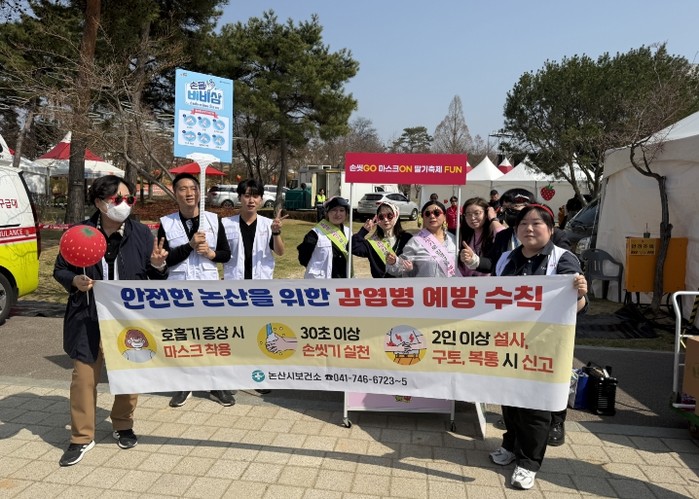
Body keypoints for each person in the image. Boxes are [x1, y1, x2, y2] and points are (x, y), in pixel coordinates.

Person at [53, 175, 169, 466]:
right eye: (117, 199)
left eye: (129, 199)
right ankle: (81, 437)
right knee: (83, 378)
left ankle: (123, 424)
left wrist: (158, 266)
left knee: (129, 374)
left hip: (127, 320)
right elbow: (60, 270)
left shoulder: (141, 234)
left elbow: (152, 277)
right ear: (99, 203)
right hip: (87, 316)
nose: (124, 204)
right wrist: (74, 281)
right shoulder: (79, 233)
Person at [488, 204, 588, 490]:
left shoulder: (563, 259)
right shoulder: (506, 258)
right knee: (510, 399)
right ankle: (510, 444)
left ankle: (529, 462)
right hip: (510, 342)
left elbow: (579, 305)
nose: (528, 229)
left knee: (535, 406)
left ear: (551, 229)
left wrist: (580, 293)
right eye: (523, 224)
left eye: (536, 223)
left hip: (544, 346)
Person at [158, 173, 234, 408]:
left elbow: (226, 254)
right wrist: (189, 246)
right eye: (183, 189)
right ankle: (184, 384)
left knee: (211, 336)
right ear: (175, 194)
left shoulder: (213, 220)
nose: (189, 193)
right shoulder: (166, 223)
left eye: (193, 188)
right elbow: (165, 259)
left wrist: (211, 253)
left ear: (199, 193)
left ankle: (216, 385)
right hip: (179, 290)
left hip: (208, 288)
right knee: (183, 338)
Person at [223, 179, 286, 394]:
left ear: (261, 199)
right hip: (235, 289)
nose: (251, 200)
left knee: (260, 333)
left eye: (255, 196)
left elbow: (280, 252)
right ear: (239, 197)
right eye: (247, 195)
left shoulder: (269, 224)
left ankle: (258, 377)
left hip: (261, 290)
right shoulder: (226, 224)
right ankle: (233, 378)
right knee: (236, 333)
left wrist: (276, 233)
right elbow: (220, 253)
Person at [386, 200, 457, 277]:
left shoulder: (454, 239)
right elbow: (401, 266)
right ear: (423, 218)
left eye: (437, 213)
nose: (432, 216)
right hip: (426, 284)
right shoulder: (415, 241)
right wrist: (394, 263)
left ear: (444, 217)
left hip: (451, 284)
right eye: (427, 214)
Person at [351, 201, 413, 278]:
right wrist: (364, 230)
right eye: (381, 217)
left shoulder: (407, 238)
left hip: (402, 283)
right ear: (377, 219)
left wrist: (408, 266)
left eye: (389, 216)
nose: (385, 220)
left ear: (396, 216)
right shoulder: (373, 242)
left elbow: (416, 263)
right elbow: (351, 247)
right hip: (380, 284)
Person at [298, 196, 351, 279]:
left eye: (341, 210)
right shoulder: (315, 233)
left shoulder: (348, 232)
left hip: (343, 280)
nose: (338, 214)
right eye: (334, 210)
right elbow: (303, 258)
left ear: (346, 213)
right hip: (321, 282)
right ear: (327, 213)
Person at [457, 197, 505, 276]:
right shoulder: (465, 235)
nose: (472, 218)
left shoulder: (492, 233)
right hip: (467, 281)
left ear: (486, 214)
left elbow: (504, 235)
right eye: (468, 214)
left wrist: (493, 219)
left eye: (477, 213)